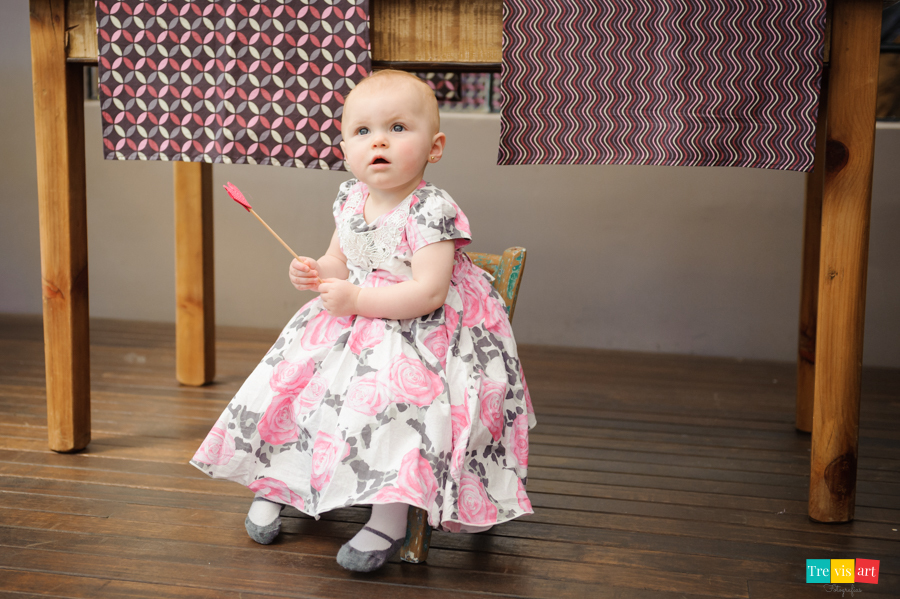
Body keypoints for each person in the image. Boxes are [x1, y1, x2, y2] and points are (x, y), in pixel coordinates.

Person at [191, 70, 535, 572]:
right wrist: (314, 271)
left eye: (398, 128)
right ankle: (282, 479)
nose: (379, 141)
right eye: (363, 132)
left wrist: (355, 297)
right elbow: (339, 260)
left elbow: (429, 291)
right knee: (295, 382)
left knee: (394, 402)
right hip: (352, 319)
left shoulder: (430, 210)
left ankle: (388, 516)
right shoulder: (350, 198)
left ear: (434, 147)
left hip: (421, 331)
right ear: (346, 149)